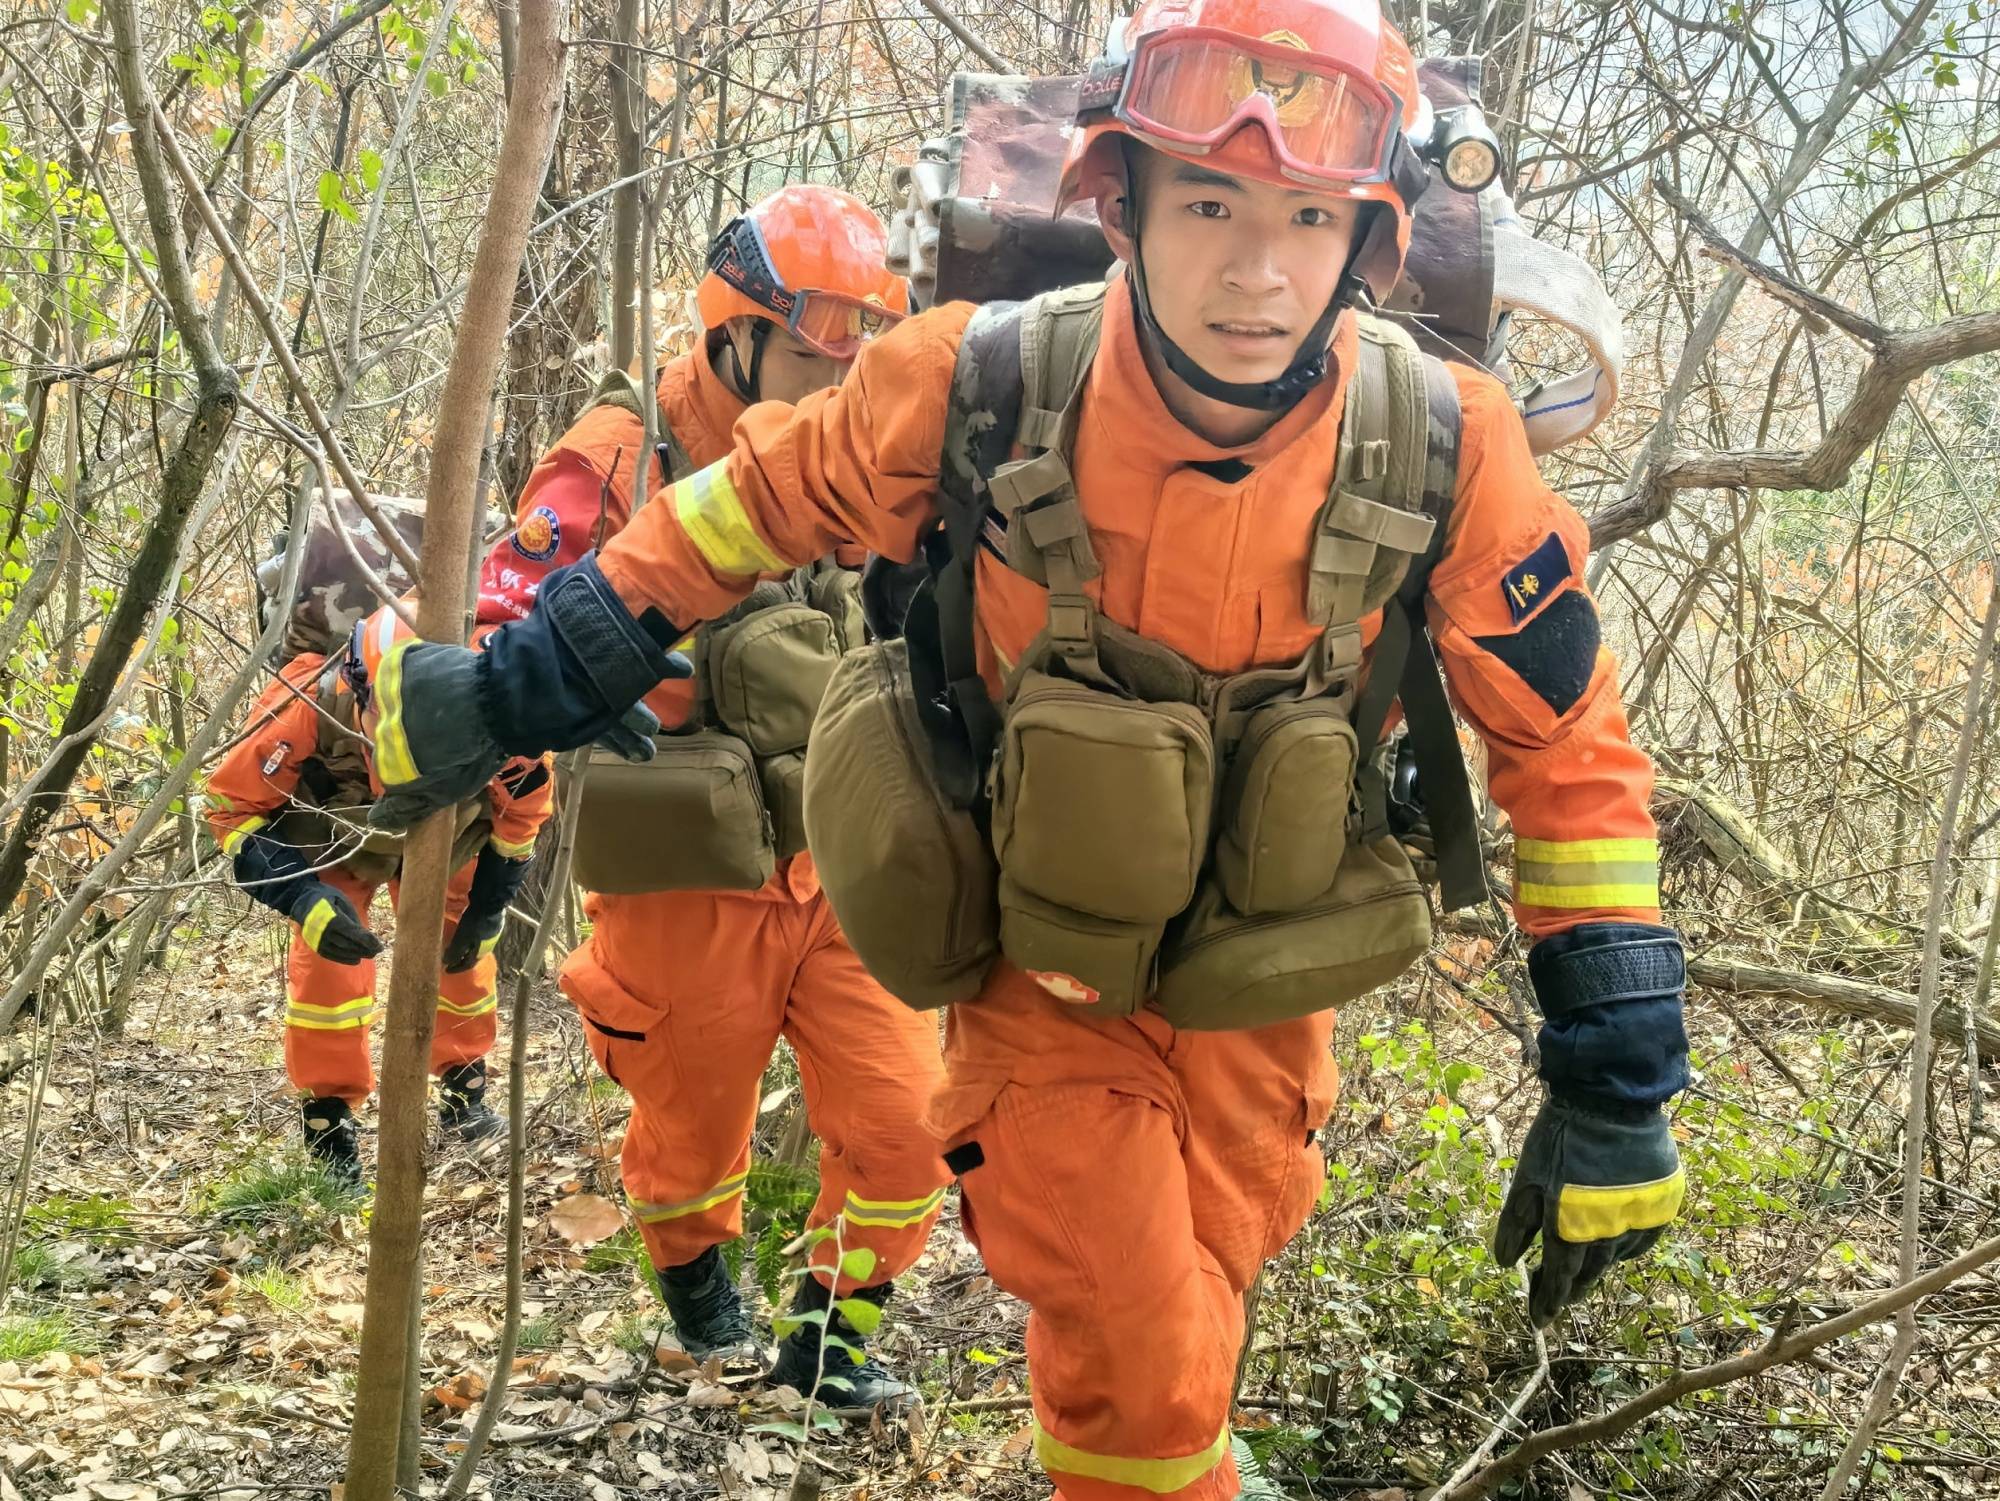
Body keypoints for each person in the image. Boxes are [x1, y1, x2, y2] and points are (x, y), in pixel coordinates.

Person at [364, 2, 1691, 1493]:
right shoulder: (975, 384)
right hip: (1038, 972)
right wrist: (522, 678)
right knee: (1133, 1354)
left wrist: (1616, 1065)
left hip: (1268, 983)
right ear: (1119, 202)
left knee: (1199, 1294)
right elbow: (733, 514)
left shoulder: (1448, 441)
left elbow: (1567, 752)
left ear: (1365, 243)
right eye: (1208, 203)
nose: (1256, 268)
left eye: (1308, 216)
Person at [475, 185, 945, 1406]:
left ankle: (832, 1342)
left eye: (851, 356)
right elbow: (505, 623)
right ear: (734, 332)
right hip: (683, 859)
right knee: (686, 1135)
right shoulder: (616, 458)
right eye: (805, 351)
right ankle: (703, 1307)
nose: (829, 384)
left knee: (907, 1121)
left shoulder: (865, 447)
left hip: (841, 853)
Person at [205, 605, 553, 1185]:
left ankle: (465, 1086)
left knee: (465, 951)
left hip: (447, 838)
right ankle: (328, 1116)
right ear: (364, 695)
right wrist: (300, 897)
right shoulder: (307, 701)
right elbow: (231, 808)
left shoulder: (507, 717)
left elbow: (522, 820)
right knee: (328, 969)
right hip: (338, 841)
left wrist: (489, 909)